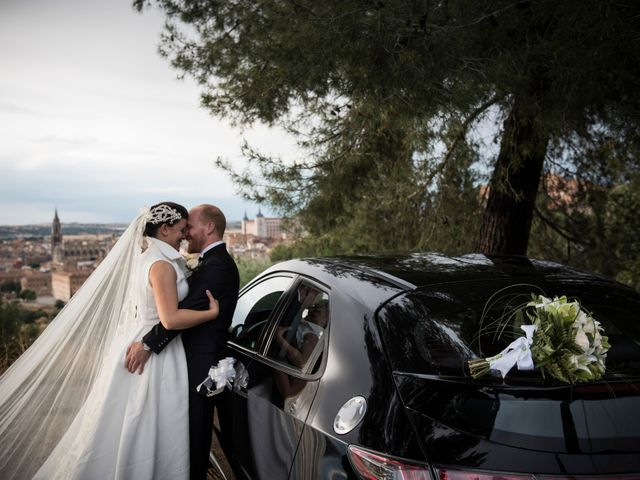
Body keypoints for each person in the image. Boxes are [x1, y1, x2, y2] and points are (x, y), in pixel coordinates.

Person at [124, 204, 240, 480]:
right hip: (179, 361)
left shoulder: (218, 266)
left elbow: (178, 314)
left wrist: (148, 343)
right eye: (182, 229)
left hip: (200, 366)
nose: (186, 235)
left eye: (190, 228)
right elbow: (174, 312)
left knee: (194, 439)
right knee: (175, 433)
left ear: (209, 227)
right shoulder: (201, 262)